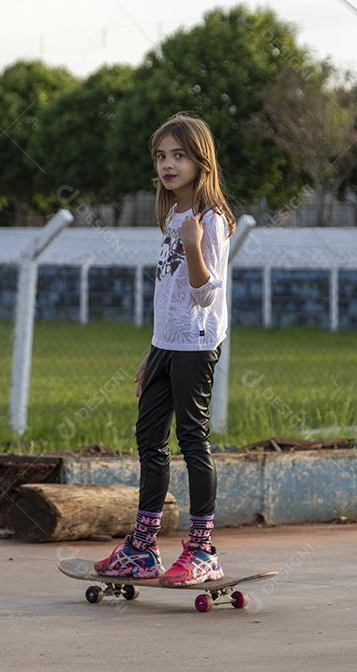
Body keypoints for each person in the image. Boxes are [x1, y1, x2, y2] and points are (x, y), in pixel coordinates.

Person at [94, 112, 237, 587]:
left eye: (178, 155)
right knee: (149, 439)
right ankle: (142, 547)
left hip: (197, 345)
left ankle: (201, 550)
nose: (168, 165)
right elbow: (170, 298)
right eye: (161, 156)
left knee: (193, 440)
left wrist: (194, 246)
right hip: (166, 345)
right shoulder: (173, 216)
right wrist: (152, 351)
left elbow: (204, 295)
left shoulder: (208, 221)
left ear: (201, 160)